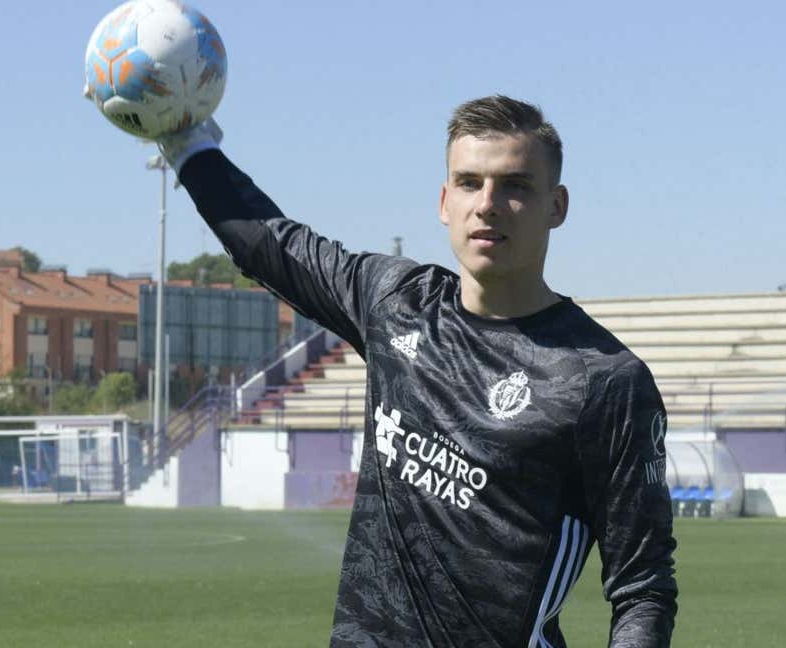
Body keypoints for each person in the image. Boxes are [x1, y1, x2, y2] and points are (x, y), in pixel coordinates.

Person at [155, 95, 677, 647]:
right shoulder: (395, 302)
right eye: (470, 183)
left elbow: (642, 586)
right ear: (444, 201)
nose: (488, 204)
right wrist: (189, 146)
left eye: (516, 186)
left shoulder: (605, 380)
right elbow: (270, 244)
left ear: (557, 206)